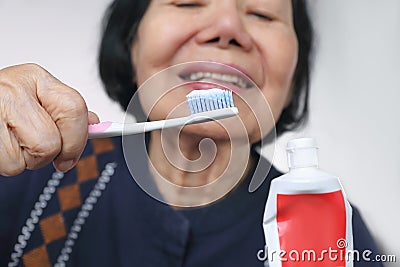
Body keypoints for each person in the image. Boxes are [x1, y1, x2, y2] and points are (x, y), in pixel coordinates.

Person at [0, 0, 383, 266]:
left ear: (294, 72)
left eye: (264, 13)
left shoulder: (326, 224)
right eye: (187, 3)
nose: (228, 28)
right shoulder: (29, 166)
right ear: (130, 42)